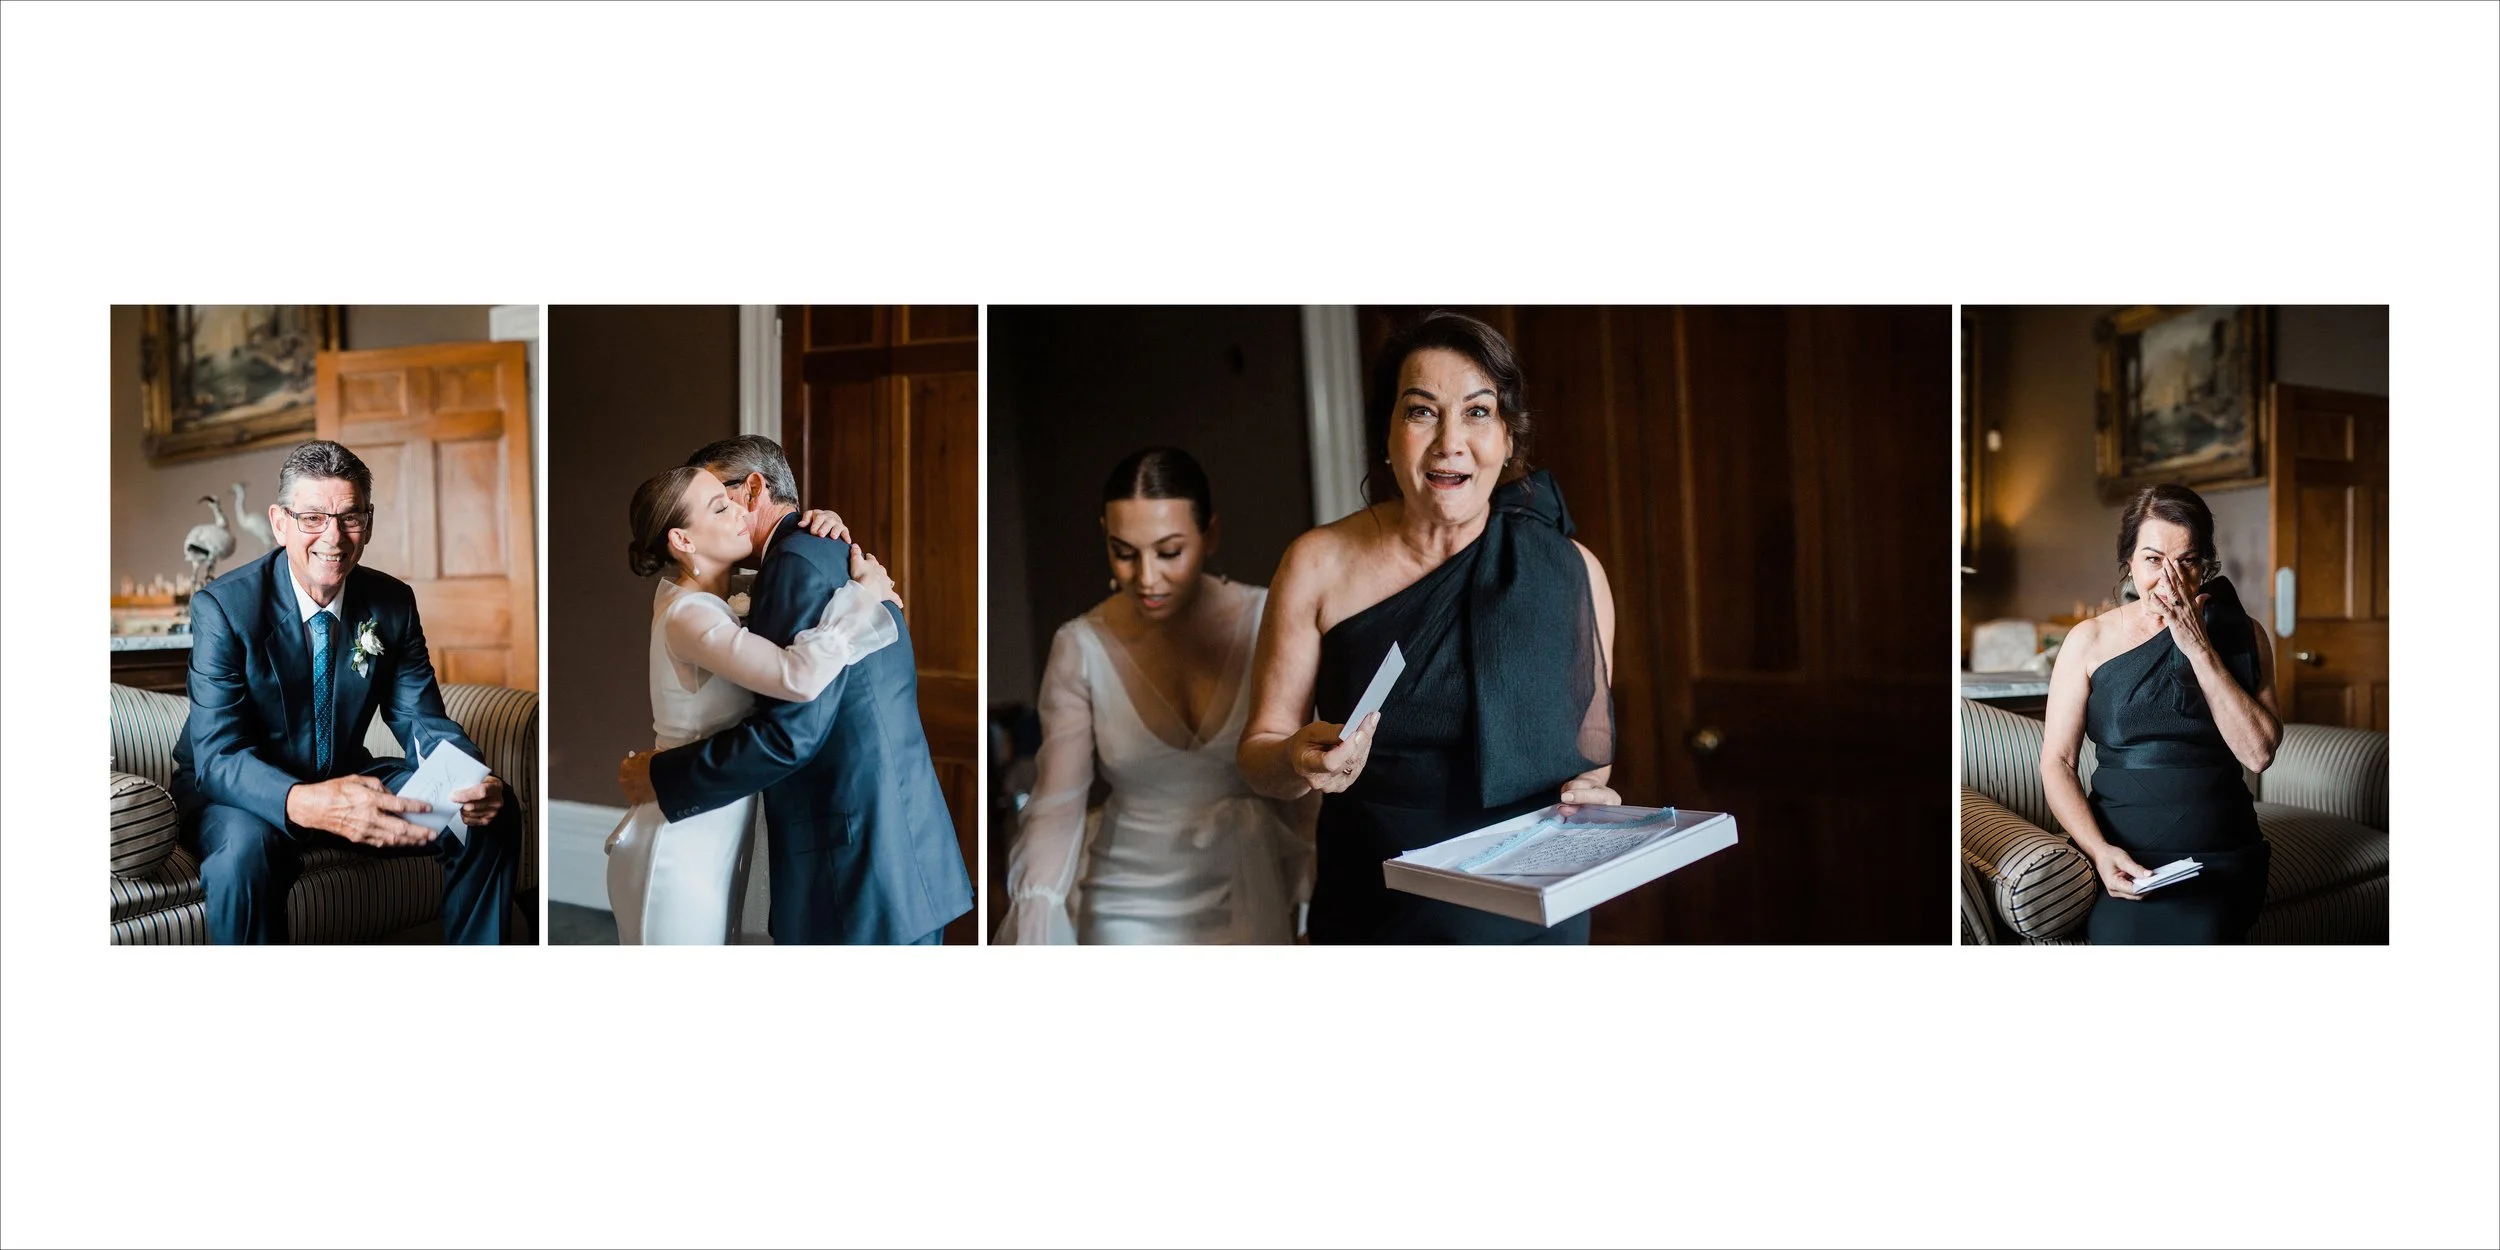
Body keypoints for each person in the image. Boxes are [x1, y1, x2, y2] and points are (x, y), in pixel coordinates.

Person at [1239, 312, 1618, 944]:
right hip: (1377, 911)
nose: (1450, 442)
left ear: (1508, 437)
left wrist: (1592, 798)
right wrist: (1298, 757)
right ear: (1388, 433)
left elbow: (1588, 758)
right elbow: (1259, 755)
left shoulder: (1575, 572)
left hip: (1533, 915)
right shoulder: (1316, 564)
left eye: (1477, 412)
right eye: (1421, 412)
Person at [618, 436, 974, 945]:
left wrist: (660, 775)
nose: (729, 516)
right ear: (683, 539)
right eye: (713, 508)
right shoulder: (817, 553)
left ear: (753, 489)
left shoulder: (793, 566)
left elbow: (790, 736)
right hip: (893, 843)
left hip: (858, 856)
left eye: (723, 498)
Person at [171, 440, 520, 944]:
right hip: (238, 791)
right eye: (313, 518)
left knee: (491, 811)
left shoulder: (392, 602)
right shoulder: (224, 608)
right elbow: (217, 757)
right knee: (245, 855)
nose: (333, 537)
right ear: (280, 523)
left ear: (368, 523)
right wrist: (305, 802)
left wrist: (468, 777)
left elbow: (420, 719)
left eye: (350, 517)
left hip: (342, 772)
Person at [998, 447, 1310, 944]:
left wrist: (1320, 881)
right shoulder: (1080, 645)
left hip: (1247, 885)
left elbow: (1305, 781)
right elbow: (1057, 804)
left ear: (1210, 535)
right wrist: (1036, 910)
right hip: (1126, 900)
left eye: (1169, 552)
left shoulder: (1268, 621)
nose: (1146, 578)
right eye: (1124, 552)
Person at [2040, 484, 2280, 944]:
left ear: (2205, 566)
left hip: (2221, 857)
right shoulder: (2088, 640)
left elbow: (2259, 754)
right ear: (2128, 561)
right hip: (2122, 854)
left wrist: (2199, 648)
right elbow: (2058, 763)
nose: (2170, 579)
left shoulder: (2244, 634)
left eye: (2187, 561)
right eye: (2153, 560)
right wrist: (2099, 851)